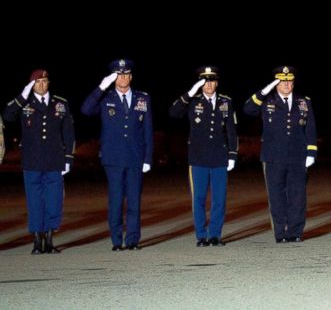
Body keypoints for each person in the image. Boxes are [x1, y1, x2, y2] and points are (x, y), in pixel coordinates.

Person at [81, 59, 153, 251]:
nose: (123, 78)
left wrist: (148, 158)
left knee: (134, 201)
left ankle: (132, 240)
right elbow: (85, 110)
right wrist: (101, 87)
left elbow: (147, 130)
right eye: (118, 75)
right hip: (113, 159)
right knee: (115, 200)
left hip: (135, 158)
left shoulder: (142, 98)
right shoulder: (106, 98)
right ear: (113, 78)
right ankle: (116, 240)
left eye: (126, 74)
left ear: (131, 76)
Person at [3, 70, 75, 253]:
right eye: (37, 82)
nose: (41, 85)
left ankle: (49, 240)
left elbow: (68, 133)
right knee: (34, 202)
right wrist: (22, 95)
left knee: (54, 201)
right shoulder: (24, 102)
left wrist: (68, 158)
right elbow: (7, 115)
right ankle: (37, 241)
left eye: (44, 81)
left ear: (49, 82)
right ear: (31, 85)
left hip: (54, 161)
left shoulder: (60, 103)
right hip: (32, 162)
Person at [243, 66, 316, 243]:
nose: (286, 84)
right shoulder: (267, 100)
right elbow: (248, 109)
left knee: (297, 196)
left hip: (298, 157)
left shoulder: (303, 101)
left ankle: (296, 232)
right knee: (276, 196)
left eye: (289, 80)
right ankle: (280, 232)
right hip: (273, 157)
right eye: (282, 81)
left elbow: (311, 128)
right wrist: (266, 89)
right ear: (276, 83)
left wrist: (311, 152)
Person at [169, 66, 238, 246]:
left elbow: (231, 130)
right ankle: (201, 235)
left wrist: (232, 154)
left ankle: (215, 235)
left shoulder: (226, 102)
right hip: (198, 158)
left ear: (217, 82)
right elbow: (173, 112)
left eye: (212, 80)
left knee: (219, 199)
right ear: (200, 83)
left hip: (219, 158)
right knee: (198, 198)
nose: (209, 85)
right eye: (205, 81)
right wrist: (190, 92)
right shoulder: (192, 101)